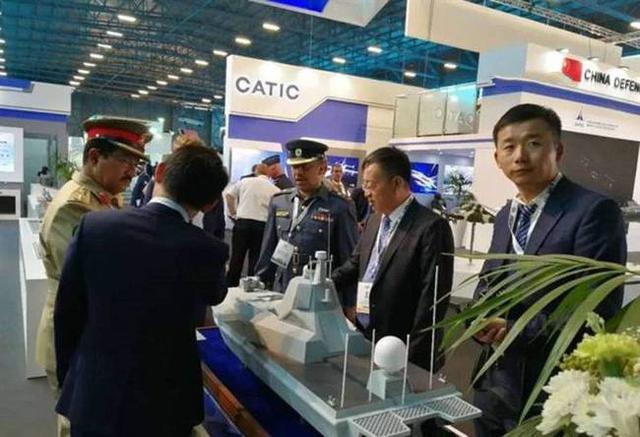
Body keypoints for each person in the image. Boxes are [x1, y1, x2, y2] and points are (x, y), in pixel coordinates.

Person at [472, 103, 626, 436]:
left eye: (533, 143)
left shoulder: (594, 211)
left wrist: (514, 330)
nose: (520, 156)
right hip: (493, 385)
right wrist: (477, 318)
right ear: (497, 158)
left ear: (558, 150)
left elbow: (597, 310)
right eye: (509, 146)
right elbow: (488, 282)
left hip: (548, 390)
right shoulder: (506, 215)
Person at [54, 146, 229, 437]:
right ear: (211, 204)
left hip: (94, 394)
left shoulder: (95, 226)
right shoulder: (208, 250)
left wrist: (70, 380)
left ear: (159, 173)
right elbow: (216, 294)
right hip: (165, 404)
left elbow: (67, 312)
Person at [36, 116, 152, 436]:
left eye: (136, 163)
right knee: (76, 420)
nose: (132, 171)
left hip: (92, 330)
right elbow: (88, 285)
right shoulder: (75, 207)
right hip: (74, 333)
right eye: (126, 161)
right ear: (94, 157)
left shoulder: (104, 196)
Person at [332, 147, 454, 370]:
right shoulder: (374, 220)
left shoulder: (431, 227)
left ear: (397, 183)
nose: (365, 192)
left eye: (371, 185)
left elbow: (432, 300)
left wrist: (412, 359)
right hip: (367, 336)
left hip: (402, 349)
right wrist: (322, 283)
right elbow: (356, 264)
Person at [255, 139, 358, 309]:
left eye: (305, 167)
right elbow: (268, 250)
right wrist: (260, 285)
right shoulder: (279, 202)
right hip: (283, 290)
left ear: (322, 169)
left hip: (319, 296)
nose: (298, 173)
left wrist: (350, 304)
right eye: (295, 167)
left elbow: (349, 260)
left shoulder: (339, 207)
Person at [225, 163, 280, 286]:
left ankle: (230, 286)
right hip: (262, 226)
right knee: (255, 259)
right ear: (268, 174)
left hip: (242, 223)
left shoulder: (245, 182)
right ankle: (250, 286)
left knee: (236, 257)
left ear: (256, 171)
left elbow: (229, 195)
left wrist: (233, 213)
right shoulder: (274, 189)